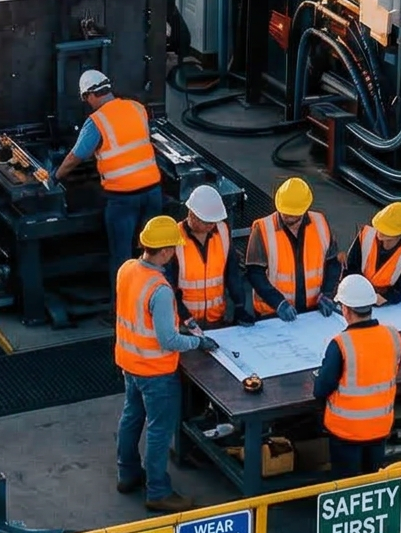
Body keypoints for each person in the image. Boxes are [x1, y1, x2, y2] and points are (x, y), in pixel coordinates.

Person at [115, 214, 210, 513]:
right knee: (158, 430)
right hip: (156, 372)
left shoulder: (127, 269)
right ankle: (157, 491)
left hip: (130, 363)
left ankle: (127, 474)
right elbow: (168, 340)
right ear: (166, 251)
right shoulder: (161, 289)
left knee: (131, 417)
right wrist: (197, 342)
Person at [57, 69, 162, 270]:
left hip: (124, 200)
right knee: (154, 253)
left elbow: (74, 158)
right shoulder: (137, 107)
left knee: (122, 259)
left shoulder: (96, 122)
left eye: (85, 98)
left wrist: (55, 176)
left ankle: (124, 290)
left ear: (90, 95)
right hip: (153, 193)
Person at [314, 274, 401, 475]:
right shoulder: (393, 336)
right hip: (380, 428)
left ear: (345, 309)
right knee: (373, 480)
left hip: (346, 433)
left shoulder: (341, 344)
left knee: (348, 486)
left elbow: (320, 389)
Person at [242, 176, 334, 319]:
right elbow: (254, 273)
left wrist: (327, 293)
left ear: (304, 210)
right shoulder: (263, 229)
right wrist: (278, 303)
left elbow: (333, 262)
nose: (287, 218)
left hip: (313, 312)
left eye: (292, 215)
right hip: (272, 313)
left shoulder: (320, 224)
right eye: (284, 213)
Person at [173, 183, 251, 328]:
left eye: (213, 222)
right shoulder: (174, 238)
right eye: (207, 222)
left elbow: (232, 273)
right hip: (185, 325)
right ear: (191, 214)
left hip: (217, 320)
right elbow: (169, 287)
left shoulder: (222, 231)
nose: (211, 226)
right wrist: (186, 318)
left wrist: (240, 306)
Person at [346, 201, 401, 302]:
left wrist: (385, 298)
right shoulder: (366, 235)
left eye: (387, 231)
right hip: (356, 290)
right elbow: (350, 267)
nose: (381, 233)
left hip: (383, 299)